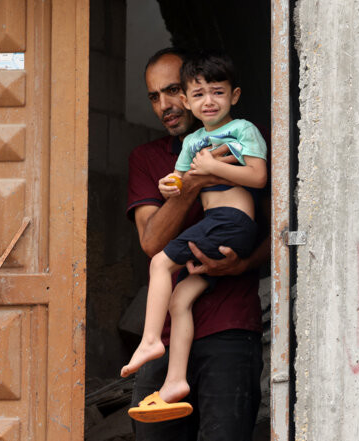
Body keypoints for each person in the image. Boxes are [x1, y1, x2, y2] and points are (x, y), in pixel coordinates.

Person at [125, 47, 269, 440]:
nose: (166, 105)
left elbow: (283, 226)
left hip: (230, 327)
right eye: (155, 96)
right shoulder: (149, 157)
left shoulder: (246, 137)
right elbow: (152, 241)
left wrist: (242, 264)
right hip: (172, 336)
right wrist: (195, 181)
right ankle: (153, 348)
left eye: (172, 90)